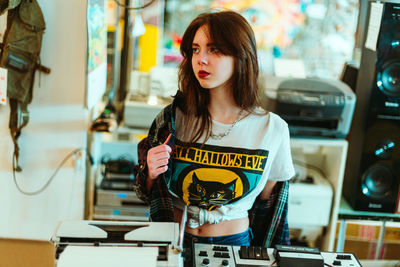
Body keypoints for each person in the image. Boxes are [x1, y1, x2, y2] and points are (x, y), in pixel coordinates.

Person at [133, 10, 295, 249]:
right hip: (171, 240)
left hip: (233, 244)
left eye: (214, 50)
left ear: (241, 56)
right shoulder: (172, 119)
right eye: (196, 49)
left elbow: (269, 209)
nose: (201, 59)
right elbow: (145, 194)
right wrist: (150, 174)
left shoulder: (272, 129)